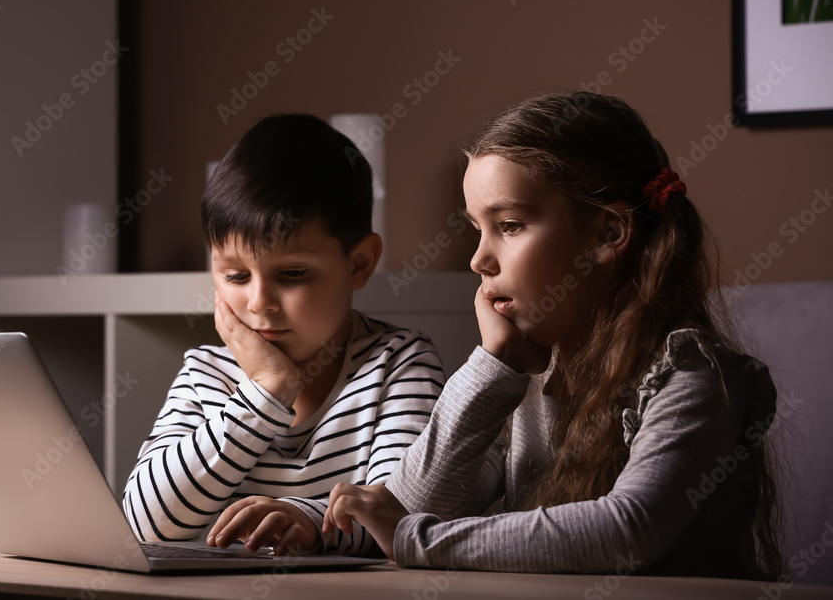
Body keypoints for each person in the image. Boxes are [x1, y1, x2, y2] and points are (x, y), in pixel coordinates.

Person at [320, 91, 785, 579]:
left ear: (608, 234)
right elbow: (417, 501)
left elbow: (627, 532)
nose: (478, 259)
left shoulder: (689, 373)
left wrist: (415, 538)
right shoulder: (532, 380)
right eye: (477, 229)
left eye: (510, 225)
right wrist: (491, 364)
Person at [121, 113, 445, 556]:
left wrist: (310, 521)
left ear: (359, 263)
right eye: (235, 275)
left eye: (291, 274)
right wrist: (267, 391)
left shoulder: (399, 363)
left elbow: (402, 518)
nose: (259, 303)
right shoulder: (206, 374)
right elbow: (144, 525)